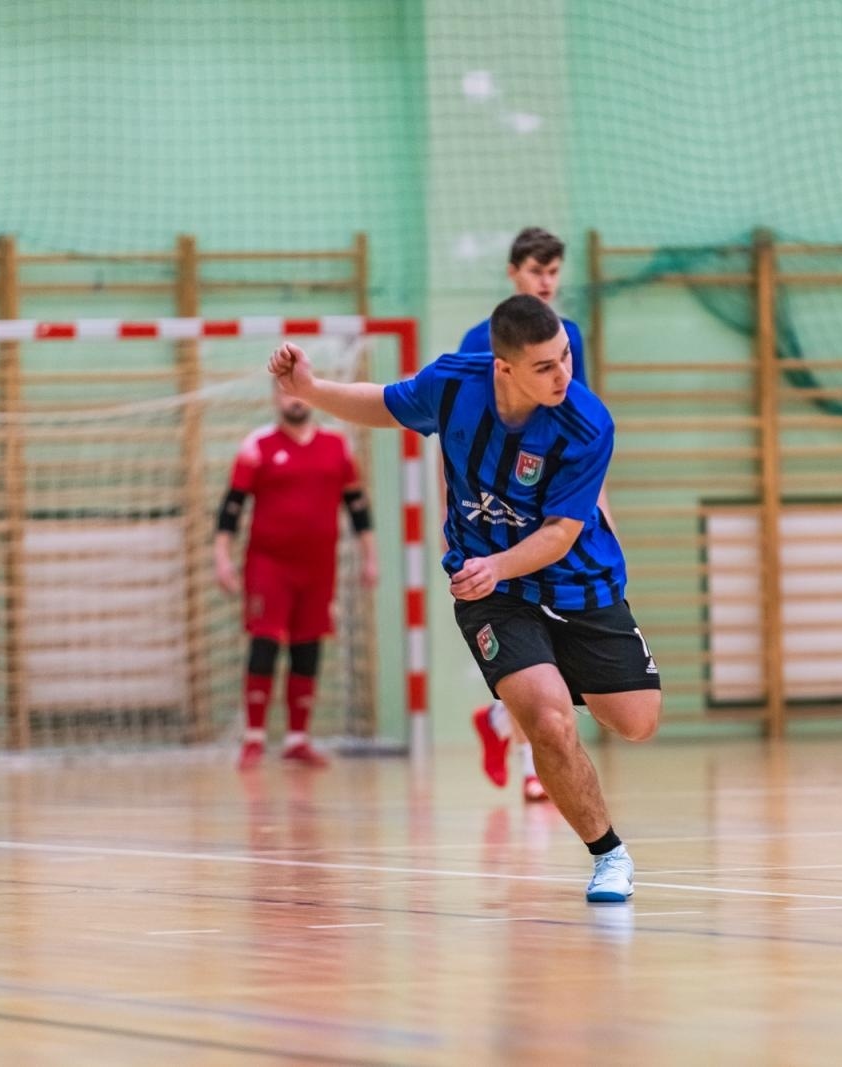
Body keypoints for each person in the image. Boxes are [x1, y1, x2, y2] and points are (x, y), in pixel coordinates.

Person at [269, 294, 660, 901]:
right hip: (492, 592)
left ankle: (550, 675)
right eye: (545, 367)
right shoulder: (455, 384)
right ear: (502, 368)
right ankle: (608, 855)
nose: (563, 375)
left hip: (578, 585)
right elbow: (386, 404)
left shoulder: (586, 423)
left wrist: (498, 562)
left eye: (565, 359)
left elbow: (560, 533)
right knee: (551, 725)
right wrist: (313, 388)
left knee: (636, 723)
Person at [460, 227, 590, 804]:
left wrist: (597, 508)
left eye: (554, 271)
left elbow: (579, 430)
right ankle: (530, 762)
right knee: (521, 630)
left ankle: (499, 727)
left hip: (552, 509)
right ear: (513, 272)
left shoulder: (568, 340)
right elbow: (457, 435)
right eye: (537, 269)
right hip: (498, 513)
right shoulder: (477, 343)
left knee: (556, 635)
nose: (546, 281)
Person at [215, 387, 377, 769]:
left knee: (308, 646)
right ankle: (253, 738)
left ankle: (296, 739)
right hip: (268, 564)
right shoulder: (258, 446)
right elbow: (232, 506)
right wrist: (221, 556)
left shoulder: (337, 446)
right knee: (266, 642)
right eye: (285, 394)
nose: (294, 400)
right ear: (275, 398)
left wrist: (371, 557)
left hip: (319, 567)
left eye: (298, 393)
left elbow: (357, 507)